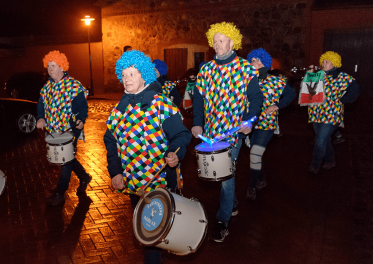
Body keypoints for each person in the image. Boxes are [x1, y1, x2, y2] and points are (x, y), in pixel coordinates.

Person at [104, 50, 191, 263]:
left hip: (159, 183)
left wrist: (174, 153)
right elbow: (111, 141)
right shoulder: (119, 110)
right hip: (135, 185)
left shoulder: (161, 104)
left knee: (151, 235)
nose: (126, 79)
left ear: (144, 75)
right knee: (147, 231)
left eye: (132, 74)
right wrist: (115, 171)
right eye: (123, 75)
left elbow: (181, 135)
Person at [191, 22, 263, 242]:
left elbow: (256, 99)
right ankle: (232, 204)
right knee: (221, 176)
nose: (217, 45)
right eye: (215, 41)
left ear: (233, 42)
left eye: (221, 41)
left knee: (225, 176)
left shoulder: (246, 68)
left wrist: (249, 121)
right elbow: (198, 98)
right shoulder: (206, 69)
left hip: (233, 134)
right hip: (212, 133)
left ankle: (222, 221)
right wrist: (197, 122)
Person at [36, 50, 92, 206]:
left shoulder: (73, 86)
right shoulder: (47, 87)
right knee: (67, 157)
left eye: (53, 66)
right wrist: (40, 117)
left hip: (70, 129)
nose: (50, 69)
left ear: (62, 67)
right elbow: (41, 104)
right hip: (54, 129)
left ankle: (60, 192)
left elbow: (82, 106)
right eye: (48, 66)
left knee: (65, 160)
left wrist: (81, 119)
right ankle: (84, 177)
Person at [245, 48, 295, 200]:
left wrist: (276, 106)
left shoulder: (277, 81)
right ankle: (262, 180)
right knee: (256, 155)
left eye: (258, 60)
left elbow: (291, 94)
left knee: (254, 154)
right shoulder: (246, 81)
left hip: (266, 125)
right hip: (249, 125)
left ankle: (251, 187)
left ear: (265, 63)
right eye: (252, 60)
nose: (255, 63)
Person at [307, 51, 360, 174]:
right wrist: (309, 77)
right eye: (323, 61)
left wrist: (344, 99)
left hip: (332, 115)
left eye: (327, 62)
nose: (323, 64)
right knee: (324, 140)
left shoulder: (341, 77)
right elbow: (308, 91)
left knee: (319, 141)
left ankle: (314, 165)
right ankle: (330, 160)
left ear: (334, 64)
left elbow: (356, 88)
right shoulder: (318, 75)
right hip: (316, 113)